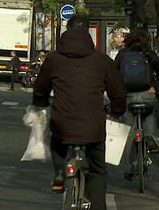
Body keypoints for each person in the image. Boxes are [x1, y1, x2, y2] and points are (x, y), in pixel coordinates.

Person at [33, 15, 126, 210]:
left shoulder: (54, 59)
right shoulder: (102, 60)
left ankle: (59, 172)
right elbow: (117, 92)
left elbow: (40, 88)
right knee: (98, 171)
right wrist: (117, 111)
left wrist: (40, 103)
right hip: (93, 126)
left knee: (57, 139)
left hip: (63, 123)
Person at [114, 30, 159, 158]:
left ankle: (129, 168)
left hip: (128, 96)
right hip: (148, 94)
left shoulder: (122, 54)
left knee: (128, 132)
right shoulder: (149, 54)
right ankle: (149, 137)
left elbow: (113, 75)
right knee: (149, 113)